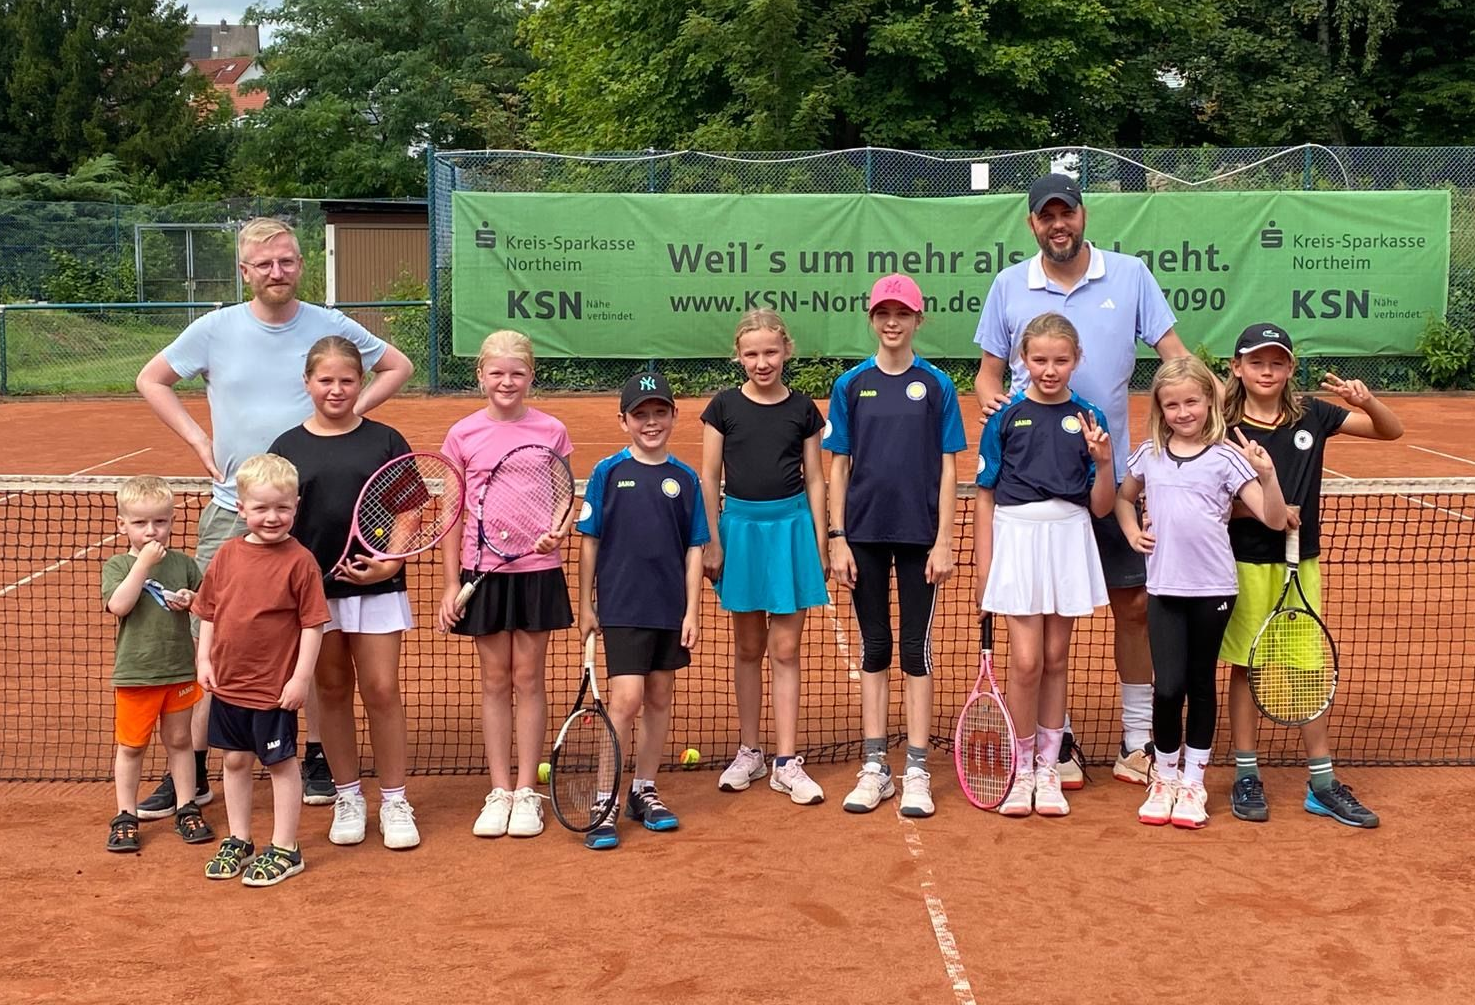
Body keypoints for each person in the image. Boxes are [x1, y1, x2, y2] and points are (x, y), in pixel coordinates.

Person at [135, 216, 413, 813]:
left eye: (286, 261)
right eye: (264, 264)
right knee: (218, 637)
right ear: (245, 271)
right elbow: (152, 379)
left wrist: (348, 416)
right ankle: (194, 768)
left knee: (310, 631)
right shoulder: (214, 329)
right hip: (232, 510)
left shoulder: (329, 325)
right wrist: (198, 440)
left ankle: (317, 759)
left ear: (300, 264)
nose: (276, 271)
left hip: (310, 513)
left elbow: (398, 365)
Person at [974, 173, 1194, 787]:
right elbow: (988, 373)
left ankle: (1137, 739)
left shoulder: (1130, 275)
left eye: (1065, 213)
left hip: (1111, 480)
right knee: (1045, 621)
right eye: (1046, 217)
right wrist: (993, 402)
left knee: (1135, 605)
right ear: (1032, 224)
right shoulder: (1008, 285)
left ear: (1082, 214)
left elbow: (1174, 355)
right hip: (1035, 490)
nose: (1057, 225)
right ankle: (1059, 741)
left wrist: (1208, 405)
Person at [1219, 323, 1402, 828]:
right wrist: (1264, 512)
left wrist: (1367, 402)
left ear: (1290, 369)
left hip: (1301, 564)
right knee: (1246, 666)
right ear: (1237, 368)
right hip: (1243, 562)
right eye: (1256, 362)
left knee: (1307, 670)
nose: (1267, 371)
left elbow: (1390, 431)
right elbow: (1209, 498)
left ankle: (1322, 783)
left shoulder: (1313, 414)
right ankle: (1246, 774)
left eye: (1277, 362)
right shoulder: (1222, 426)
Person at [1116, 356, 1286, 830]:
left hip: (1214, 589)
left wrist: (1268, 476)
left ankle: (1193, 782)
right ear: (1160, 409)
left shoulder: (1227, 458)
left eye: (1191, 401)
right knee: (1168, 688)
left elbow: (1273, 519)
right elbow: (1124, 499)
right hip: (1164, 587)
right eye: (1171, 405)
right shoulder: (1149, 454)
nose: (1182, 412)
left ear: (1209, 401)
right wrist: (1131, 532)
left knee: (1200, 684)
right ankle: (1164, 777)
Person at [269, 337, 421, 851]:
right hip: (315, 594)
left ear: (362, 383)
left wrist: (390, 563)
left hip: (378, 588)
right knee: (331, 691)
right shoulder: (287, 447)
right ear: (307, 383)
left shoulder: (385, 440)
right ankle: (348, 795)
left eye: (347, 380)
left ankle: (395, 800)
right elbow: (276, 519)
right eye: (325, 380)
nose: (336, 390)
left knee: (381, 689)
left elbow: (408, 509)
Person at [826, 274, 967, 818]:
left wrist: (944, 539)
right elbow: (839, 466)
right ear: (872, 319)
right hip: (862, 535)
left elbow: (949, 467)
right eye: (883, 313)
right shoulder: (850, 384)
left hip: (919, 537)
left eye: (902, 313)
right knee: (874, 647)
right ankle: (875, 766)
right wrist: (838, 537)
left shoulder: (936, 385)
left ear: (917, 320)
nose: (892, 322)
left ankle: (917, 769)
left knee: (915, 649)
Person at [975, 314, 1116, 818]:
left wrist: (1104, 461)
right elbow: (985, 496)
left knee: (1056, 658)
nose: (1050, 370)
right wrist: (985, 569)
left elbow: (1102, 506)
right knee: (1026, 661)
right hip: (1016, 538)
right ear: (1023, 360)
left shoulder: (1091, 418)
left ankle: (1048, 768)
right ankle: (1020, 770)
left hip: (1069, 537)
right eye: (1039, 360)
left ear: (1077, 360)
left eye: (1060, 360)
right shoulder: (1005, 416)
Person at [437, 330, 574, 840]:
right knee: (495, 679)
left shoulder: (552, 430)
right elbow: (451, 513)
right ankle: (498, 791)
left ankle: (525, 791)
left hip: (537, 571)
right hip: (482, 573)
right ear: (481, 376)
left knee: (529, 677)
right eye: (496, 372)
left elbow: (564, 495)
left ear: (531, 376)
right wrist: (450, 583)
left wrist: (557, 530)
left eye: (517, 373)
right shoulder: (462, 434)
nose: (507, 381)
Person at [701, 310, 829, 805]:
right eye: (752, 353)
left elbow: (815, 478)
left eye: (771, 352)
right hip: (740, 531)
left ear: (786, 351)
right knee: (749, 647)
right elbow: (709, 477)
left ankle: (786, 760)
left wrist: (821, 542)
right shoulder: (723, 407)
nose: (762, 362)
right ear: (738, 356)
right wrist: (713, 539)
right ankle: (750, 751)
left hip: (792, 530)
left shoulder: (803, 409)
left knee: (787, 649)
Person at [577, 372, 708, 850]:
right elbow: (589, 542)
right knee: (625, 700)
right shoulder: (608, 473)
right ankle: (604, 799)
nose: (651, 422)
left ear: (674, 415)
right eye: (640, 415)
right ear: (624, 421)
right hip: (622, 606)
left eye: (659, 412)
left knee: (659, 696)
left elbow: (694, 549)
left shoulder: (686, 479)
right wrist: (585, 603)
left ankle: (643, 790)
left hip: (668, 608)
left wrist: (692, 611)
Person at [195, 453, 330, 885]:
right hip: (229, 684)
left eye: (282, 508)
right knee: (235, 760)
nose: (272, 517)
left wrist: (300, 678)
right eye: (261, 508)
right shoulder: (226, 555)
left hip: (273, 689)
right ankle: (239, 839)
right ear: (241, 508)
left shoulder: (300, 561)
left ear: (296, 507)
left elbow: (313, 625)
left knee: (280, 763)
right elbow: (209, 612)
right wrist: (204, 660)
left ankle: (286, 847)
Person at [102, 476, 213, 852]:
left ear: (172, 521)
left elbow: (206, 606)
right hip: (137, 676)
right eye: (140, 523)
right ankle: (125, 814)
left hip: (179, 670)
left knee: (180, 741)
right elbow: (119, 605)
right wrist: (143, 565)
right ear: (122, 525)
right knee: (132, 746)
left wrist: (190, 600)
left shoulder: (184, 564)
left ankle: (187, 807)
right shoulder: (118, 565)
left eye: (160, 522)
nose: (151, 531)